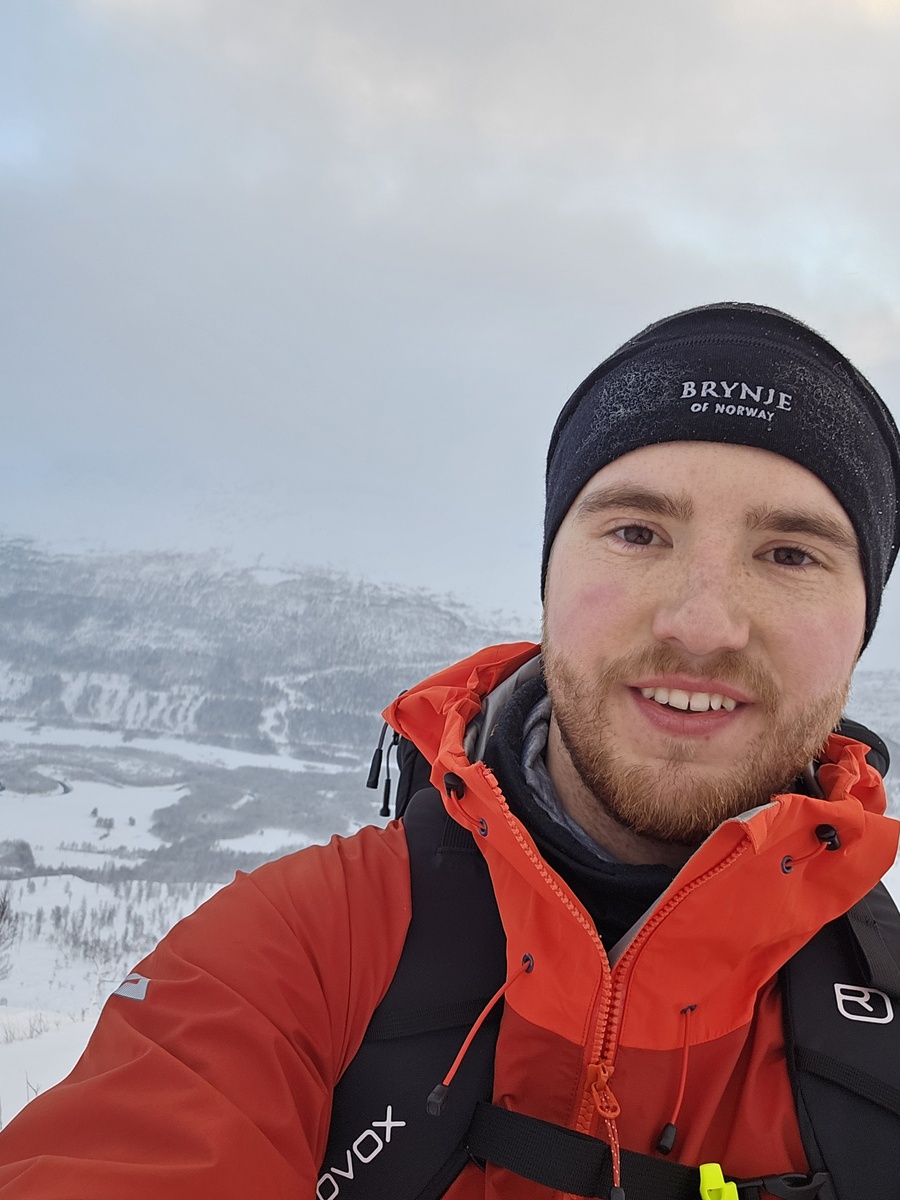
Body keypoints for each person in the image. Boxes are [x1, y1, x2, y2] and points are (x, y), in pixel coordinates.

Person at [0, 301, 899, 1200]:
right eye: (637, 533)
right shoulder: (303, 953)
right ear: (548, 580)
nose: (701, 624)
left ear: (861, 625)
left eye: (790, 555)